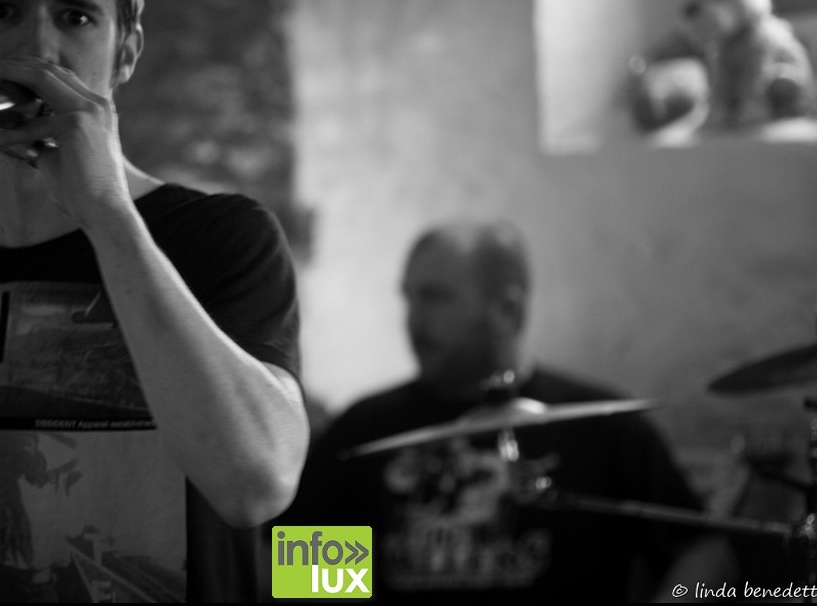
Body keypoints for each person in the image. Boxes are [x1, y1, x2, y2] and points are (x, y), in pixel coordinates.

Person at [0, 0, 309, 602]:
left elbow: (257, 485)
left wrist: (109, 215)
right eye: (1, 9)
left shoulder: (222, 238)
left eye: (75, 16)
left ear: (126, 53)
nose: (38, 46)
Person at [279, 220, 737, 602]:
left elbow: (702, 552)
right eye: (409, 297)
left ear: (507, 310)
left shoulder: (599, 427)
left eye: (435, 297)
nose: (414, 320)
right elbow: (306, 579)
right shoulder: (366, 429)